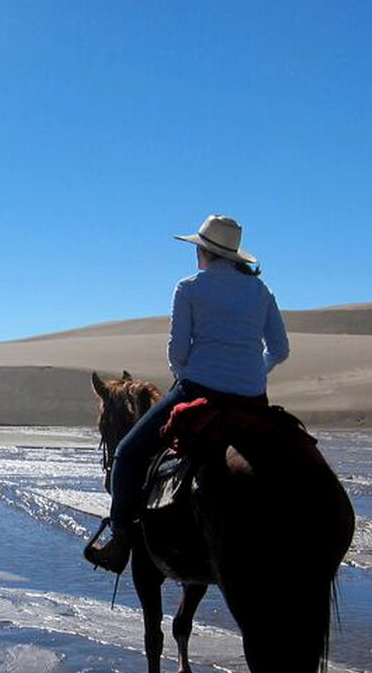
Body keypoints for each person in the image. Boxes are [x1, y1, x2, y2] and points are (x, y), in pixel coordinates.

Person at [84, 214, 290, 573]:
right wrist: (256, 370)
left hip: (198, 390)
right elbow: (280, 349)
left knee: (129, 455)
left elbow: (177, 353)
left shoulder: (190, 288)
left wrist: (186, 380)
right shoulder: (262, 292)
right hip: (254, 401)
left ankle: (119, 541)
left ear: (204, 252)